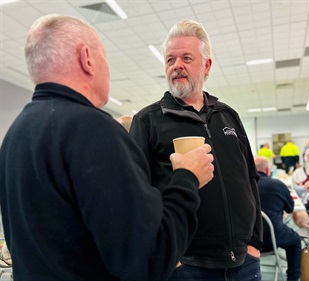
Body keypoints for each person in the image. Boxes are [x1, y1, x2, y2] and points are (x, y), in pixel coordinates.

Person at [0, 15, 215, 281]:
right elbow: (148, 258)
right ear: (87, 58)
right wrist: (187, 178)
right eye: (104, 56)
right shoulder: (92, 130)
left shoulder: (15, 135)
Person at [129, 19, 263, 281]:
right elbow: (136, 195)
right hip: (187, 267)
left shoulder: (228, 116)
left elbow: (250, 179)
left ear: (207, 65)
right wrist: (172, 258)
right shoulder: (148, 121)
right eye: (170, 60)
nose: (176, 65)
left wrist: (255, 244)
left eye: (186, 58)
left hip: (244, 262)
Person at [254, 156, 301, 281]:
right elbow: (290, 209)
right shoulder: (277, 185)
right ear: (268, 170)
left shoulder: (242, 185)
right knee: (295, 241)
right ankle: (293, 277)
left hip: (247, 240)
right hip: (272, 238)